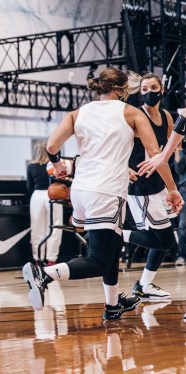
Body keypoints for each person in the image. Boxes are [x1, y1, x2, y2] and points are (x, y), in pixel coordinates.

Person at [22, 67, 183, 321]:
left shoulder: (79, 113)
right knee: (98, 259)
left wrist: (59, 164)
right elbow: (157, 156)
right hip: (106, 191)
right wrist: (172, 189)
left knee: (112, 244)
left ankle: (112, 304)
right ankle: (45, 274)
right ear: (121, 90)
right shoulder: (130, 112)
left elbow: (52, 146)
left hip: (80, 191)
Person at [123, 73, 176, 300]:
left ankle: (145, 285)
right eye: (144, 89)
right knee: (164, 240)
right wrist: (124, 166)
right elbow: (118, 144)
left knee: (163, 239)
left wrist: (169, 184)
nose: (148, 92)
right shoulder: (136, 115)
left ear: (161, 89)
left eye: (153, 87)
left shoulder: (166, 117)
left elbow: (168, 153)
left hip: (159, 184)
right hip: (140, 186)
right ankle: (117, 233)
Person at [27, 142, 62, 265]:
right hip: (52, 194)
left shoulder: (31, 166)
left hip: (37, 196)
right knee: (55, 227)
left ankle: (38, 259)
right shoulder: (53, 165)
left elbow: (29, 186)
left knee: (37, 228)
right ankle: (52, 259)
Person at [174, 142, 186, 265]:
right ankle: (181, 255)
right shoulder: (181, 149)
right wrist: (177, 149)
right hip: (184, 189)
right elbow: (179, 169)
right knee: (183, 224)